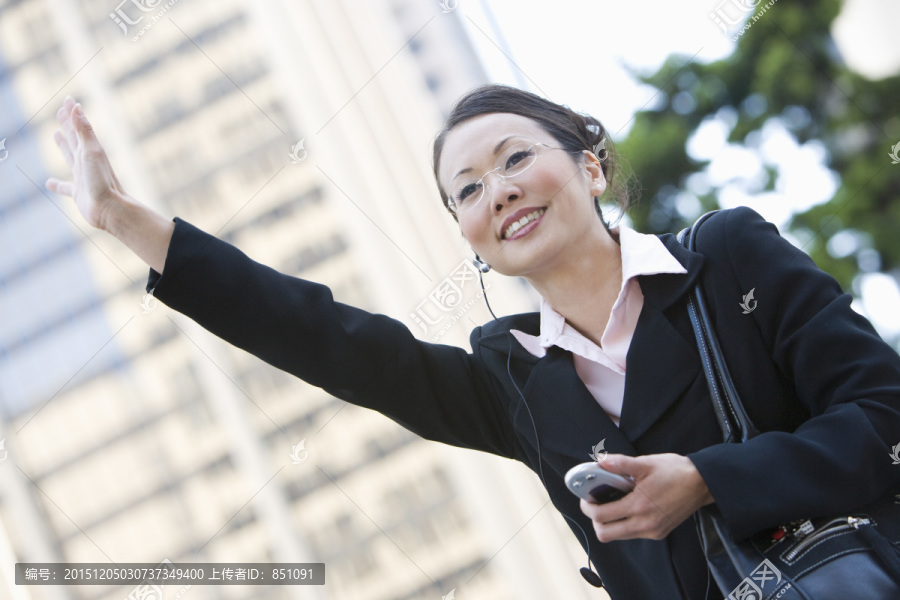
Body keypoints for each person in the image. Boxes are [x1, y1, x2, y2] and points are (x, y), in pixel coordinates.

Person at [46, 86, 900, 600]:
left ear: (590, 167)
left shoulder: (724, 257)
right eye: (468, 189)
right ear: (469, 235)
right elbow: (329, 341)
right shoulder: (514, 383)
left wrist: (710, 480)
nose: (499, 191)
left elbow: (885, 414)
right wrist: (127, 221)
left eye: (515, 157)